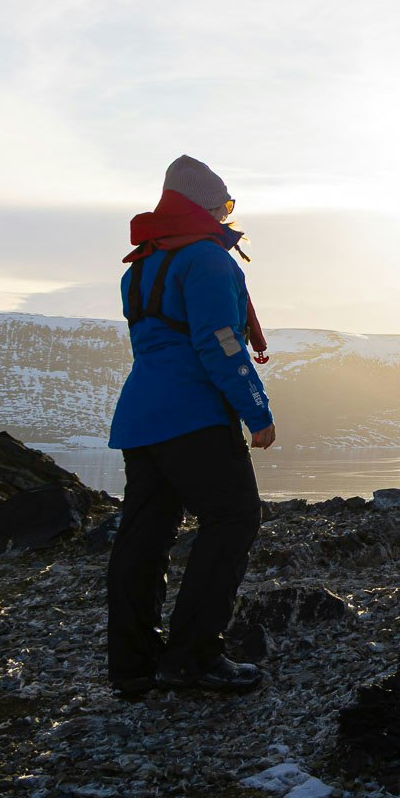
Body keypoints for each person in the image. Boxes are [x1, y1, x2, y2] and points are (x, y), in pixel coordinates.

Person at [105, 154, 277, 696]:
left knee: (144, 538)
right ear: (202, 208)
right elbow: (220, 342)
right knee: (233, 518)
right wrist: (257, 410)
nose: (228, 216)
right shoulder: (206, 260)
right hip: (194, 417)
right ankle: (194, 656)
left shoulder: (142, 266)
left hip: (142, 419)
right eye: (224, 205)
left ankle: (133, 666)